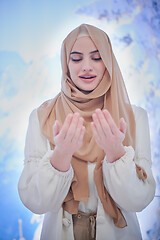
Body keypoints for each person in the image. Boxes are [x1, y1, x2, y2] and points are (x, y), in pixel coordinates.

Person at [18, 24, 156, 240]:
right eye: (76, 58)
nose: (86, 67)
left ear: (108, 62)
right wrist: (60, 156)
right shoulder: (43, 117)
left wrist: (116, 153)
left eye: (97, 57)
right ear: (65, 63)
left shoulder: (134, 118)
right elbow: (36, 203)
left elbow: (139, 201)